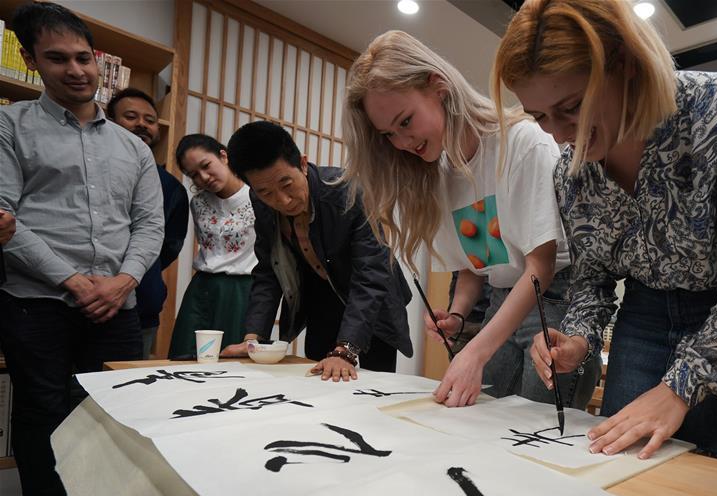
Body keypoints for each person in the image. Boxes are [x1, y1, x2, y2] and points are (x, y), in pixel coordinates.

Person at [494, 0, 717, 464]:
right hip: (644, 319)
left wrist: (680, 386)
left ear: (624, 64)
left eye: (572, 107)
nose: (562, 134)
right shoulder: (571, 172)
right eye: (540, 116)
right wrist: (578, 339)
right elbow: (592, 282)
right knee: (630, 480)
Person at [342, 30, 600, 408]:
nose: (402, 141)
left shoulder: (521, 143)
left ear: (439, 86)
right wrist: (459, 315)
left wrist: (476, 352)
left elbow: (540, 266)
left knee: (537, 428)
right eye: (389, 134)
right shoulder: (442, 170)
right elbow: (476, 266)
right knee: (479, 420)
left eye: (406, 121)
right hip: (502, 303)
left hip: (555, 301)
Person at [0, 2, 163, 496]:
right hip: (34, 301)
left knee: (110, 414)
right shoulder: (10, 126)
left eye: (83, 57)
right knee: (42, 413)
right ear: (30, 59)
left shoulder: (135, 147)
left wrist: (121, 281)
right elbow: (5, 219)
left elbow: (149, 226)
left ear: (98, 61)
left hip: (114, 304)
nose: (75, 70)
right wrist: (70, 279)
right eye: (57, 58)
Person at [221, 121, 413, 378]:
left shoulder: (348, 191)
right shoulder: (260, 202)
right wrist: (253, 338)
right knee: (316, 379)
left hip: (371, 301)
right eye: (266, 192)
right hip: (321, 297)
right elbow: (268, 270)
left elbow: (371, 275)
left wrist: (346, 349)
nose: (282, 200)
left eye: (287, 184)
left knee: (369, 386)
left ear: (302, 163)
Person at [107, 88, 189, 358]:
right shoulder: (90, 168)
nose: (141, 124)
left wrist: (140, 268)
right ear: (108, 120)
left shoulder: (171, 186)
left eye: (150, 120)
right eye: (130, 116)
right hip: (78, 299)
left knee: (128, 390)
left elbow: (169, 246)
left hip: (142, 302)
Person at [168, 134, 256, 359]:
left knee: (232, 360)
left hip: (242, 290)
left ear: (223, 156)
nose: (203, 177)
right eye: (193, 175)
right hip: (202, 289)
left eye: (206, 166)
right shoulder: (198, 203)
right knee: (187, 358)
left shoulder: (257, 196)